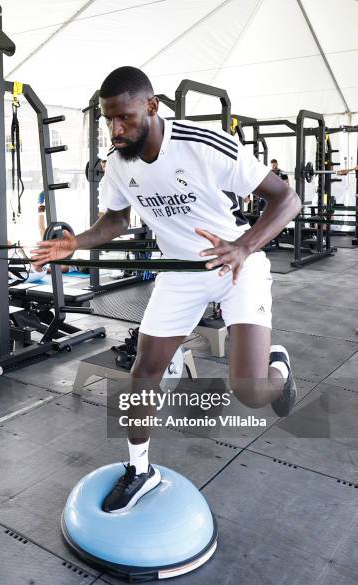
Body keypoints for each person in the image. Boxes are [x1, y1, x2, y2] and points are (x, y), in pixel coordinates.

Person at [33, 66, 302, 514]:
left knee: (252, 391)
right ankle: (140, 469)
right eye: (108, 120)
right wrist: (75, 242)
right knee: (144, 372)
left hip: (237, 261)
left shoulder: (202, 146)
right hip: (179, 270)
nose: (116, 129)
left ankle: (278, 366)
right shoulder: (118, 165)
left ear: (152, 107)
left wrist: (242, 246)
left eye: (125, 118)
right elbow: (117, 221)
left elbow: (287, 199)